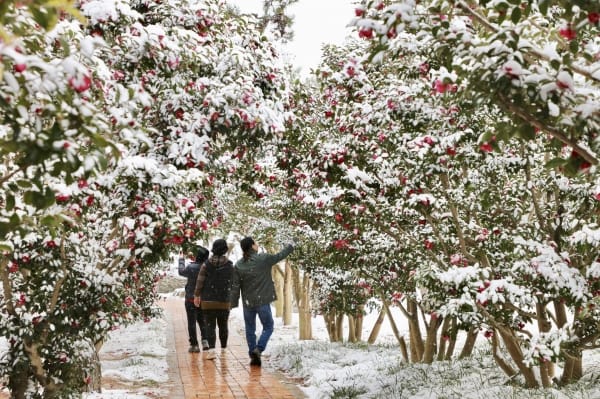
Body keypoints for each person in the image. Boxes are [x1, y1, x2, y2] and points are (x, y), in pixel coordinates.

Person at [230, 236, 294, 367]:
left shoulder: (239, 265)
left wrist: (232, 303)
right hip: (262, 301)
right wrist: (291, 246)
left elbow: (235, 286)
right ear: (252, 246)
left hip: (248, 302)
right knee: (269, 326)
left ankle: (253, 354)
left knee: (250, 328)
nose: (257, 244)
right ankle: (258, 349)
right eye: (255, 242)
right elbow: (280, 255)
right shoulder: (263, 259)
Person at [193, 239, 234, 360]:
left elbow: (200, 282)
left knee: (210, 326)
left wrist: (196, 295)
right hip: (224, 301)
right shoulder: (230, 265)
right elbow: (233, 283)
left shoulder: (206, 265)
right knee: (223, 325)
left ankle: (211, 350)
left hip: (208, 301)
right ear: (225, 250)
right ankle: (224, 349)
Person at [178, 246, 209, 353]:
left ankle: (194, 345)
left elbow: (181, 271)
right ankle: (205, 341)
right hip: (203, 300)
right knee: (203, 321)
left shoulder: (191, 268)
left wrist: (181, 259)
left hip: (191, 299)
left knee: (192, 322)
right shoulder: (207, 267)